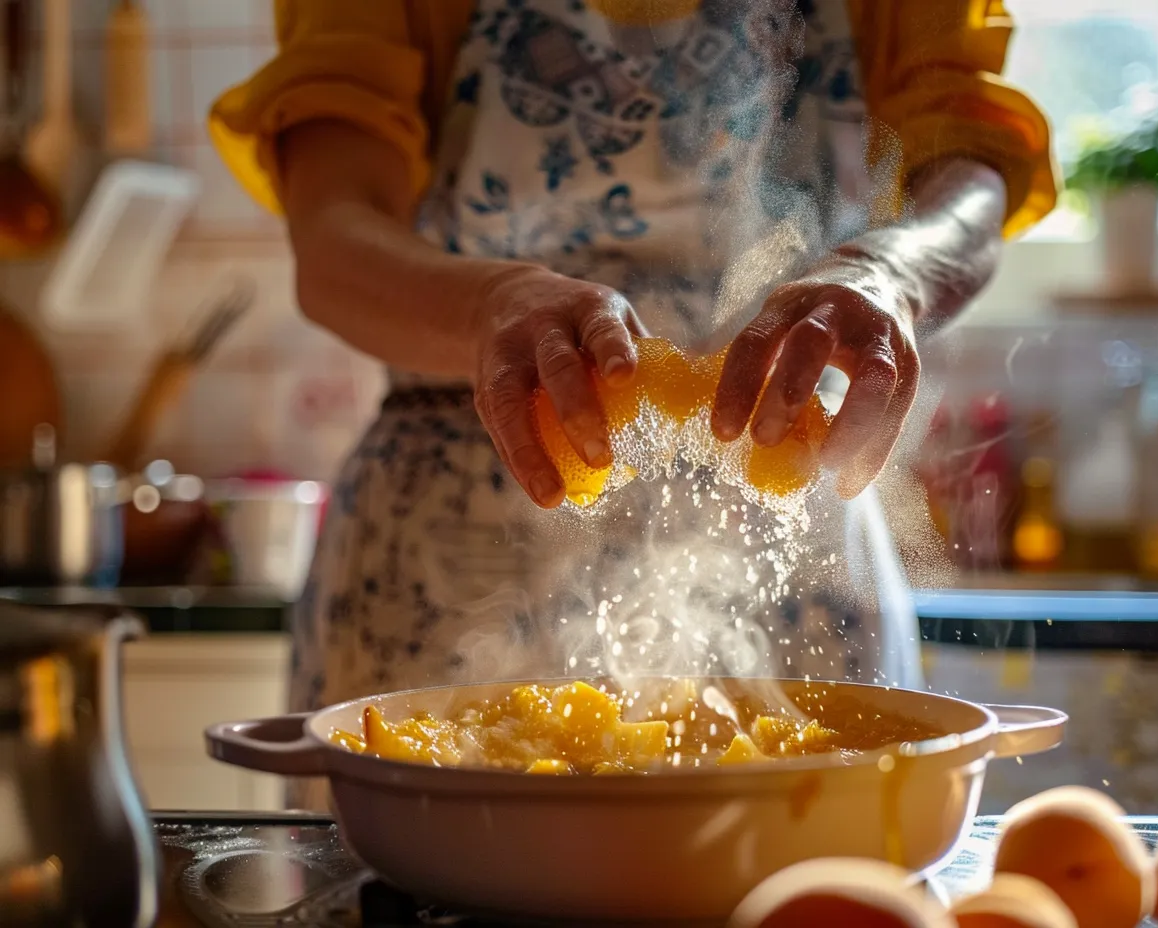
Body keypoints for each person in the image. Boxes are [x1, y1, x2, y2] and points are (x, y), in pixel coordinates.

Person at [211, 0, 1055, 807]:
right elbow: (332, 237)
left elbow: (968, 172)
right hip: (446, 530)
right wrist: (489, 305)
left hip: (789, 503)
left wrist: (893, 271)